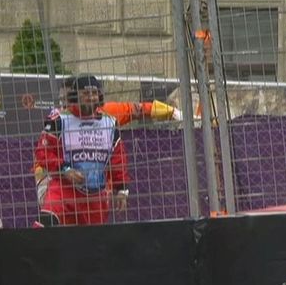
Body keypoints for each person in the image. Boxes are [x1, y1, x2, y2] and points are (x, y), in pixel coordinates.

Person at [31, 76, 178, 206]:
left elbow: (137, 109)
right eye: (62, 100)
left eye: (69, 98)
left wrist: (173, 112)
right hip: (57, 182)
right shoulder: (58, 119)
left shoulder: (106, 114)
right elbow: (42, 153)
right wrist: (43, 177)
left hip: (92, 190)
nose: (65, 104)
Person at [33, 74, 129, 227]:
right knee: (44, 225)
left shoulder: (110, 123)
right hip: (64, 190)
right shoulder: (59, 120)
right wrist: (65, 169)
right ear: (74, 96)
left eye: (94, 93)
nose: (90, 97)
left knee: (92, 244)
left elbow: (118, 159)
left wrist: (122, 189)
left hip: (95, 196)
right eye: (85, 93)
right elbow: (42, 152)